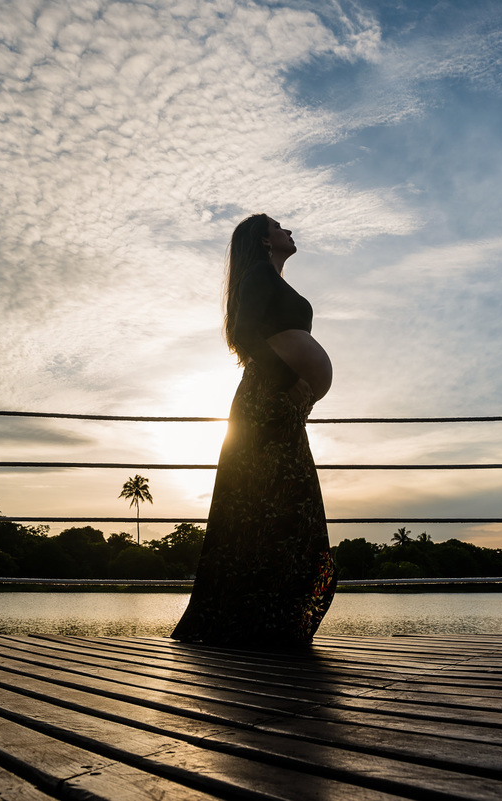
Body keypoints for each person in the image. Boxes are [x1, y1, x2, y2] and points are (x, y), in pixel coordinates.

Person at [171, 213, 337, 646]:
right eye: (281, 227)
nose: (290, 231)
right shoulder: (259, 273)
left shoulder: (269, 277)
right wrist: (289, 381)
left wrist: (300, 393)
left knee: (274, 508)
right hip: (267, 402)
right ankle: (259, 624)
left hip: (279, 406)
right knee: (279, 509)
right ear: (264, 241)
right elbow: (242, 333)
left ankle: (265, 622)